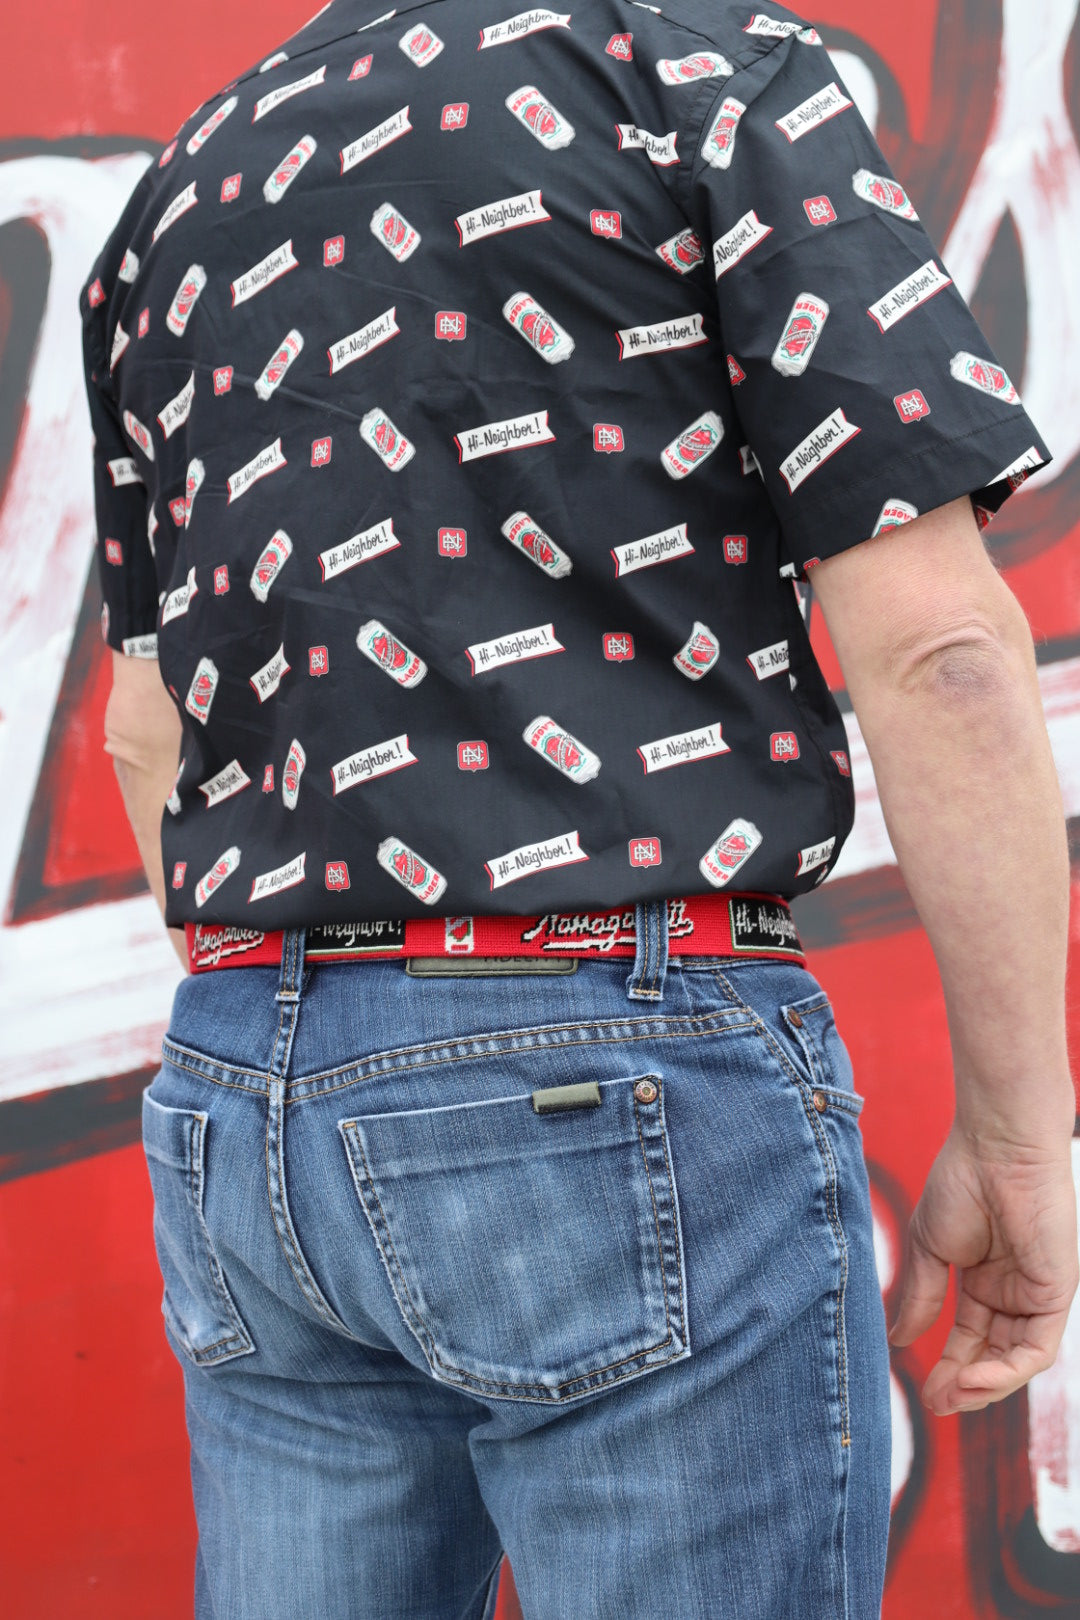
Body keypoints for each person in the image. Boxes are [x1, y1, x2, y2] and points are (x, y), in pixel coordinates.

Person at [81, 2, 1076, 1615]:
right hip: (606, 1062)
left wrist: (311, 1035)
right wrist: (1025, 1137)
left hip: (244, 1089)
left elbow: (147, 730)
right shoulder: (695, 69)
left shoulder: (191, 178)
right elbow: (941, 648)